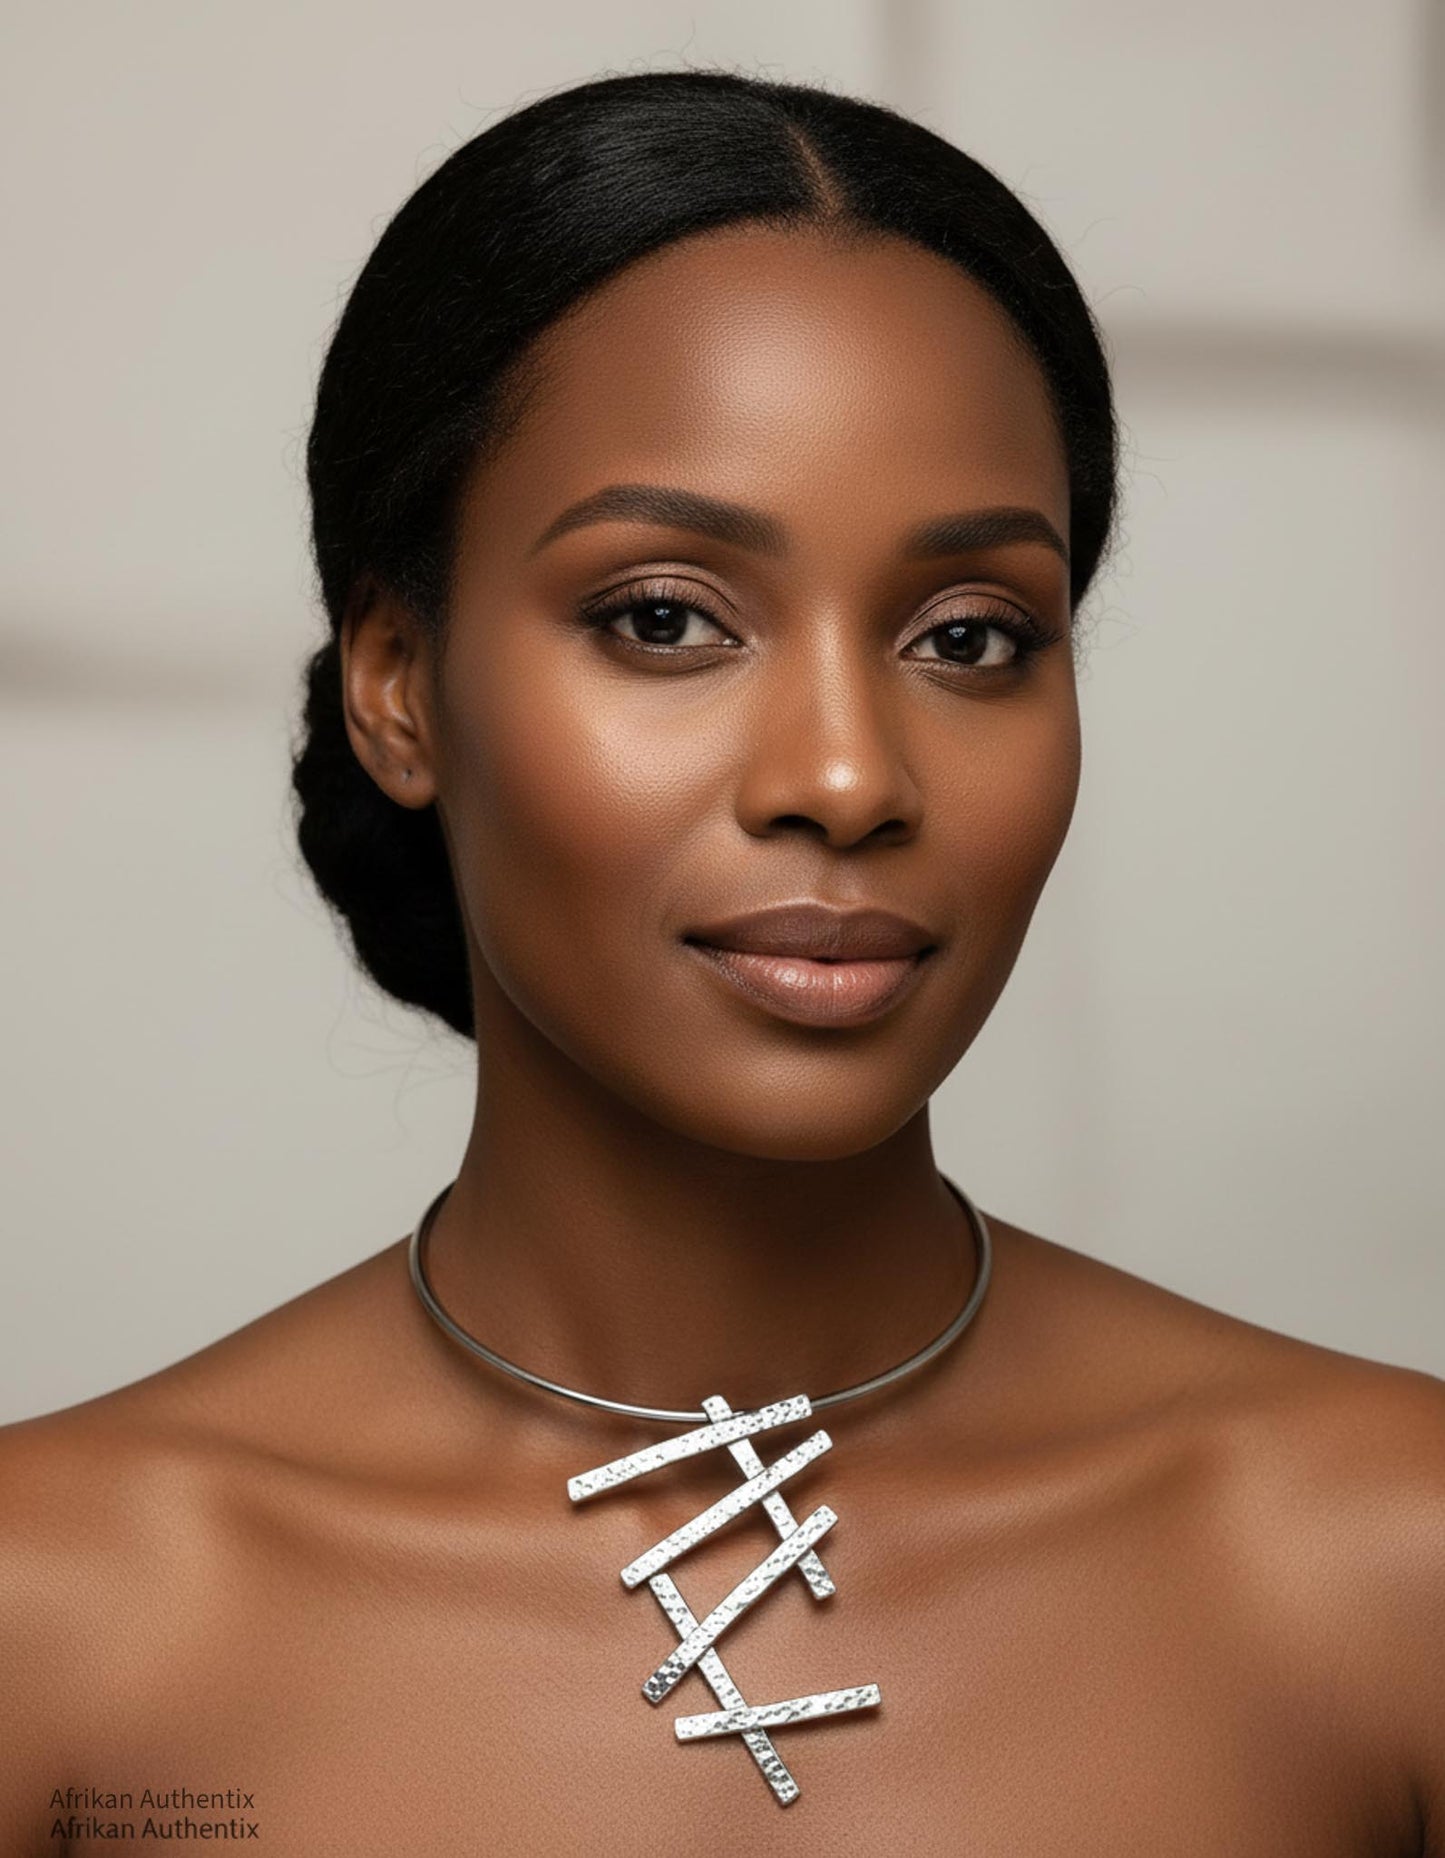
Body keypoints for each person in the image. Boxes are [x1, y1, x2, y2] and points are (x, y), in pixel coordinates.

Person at [2, 68, 1441, 1855]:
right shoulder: (58, 1626)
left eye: (969, 634)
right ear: (395, 680)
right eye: (663, 617)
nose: (845, 775)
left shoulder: (1386, 1569)